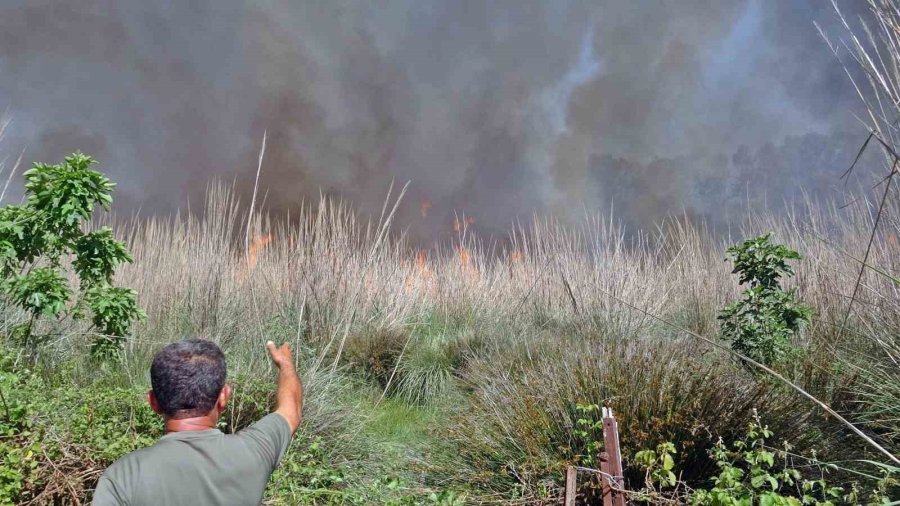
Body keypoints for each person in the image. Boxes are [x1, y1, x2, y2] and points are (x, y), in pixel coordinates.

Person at [92, 339, 303, 505]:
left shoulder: (123, 475)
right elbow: (290, 410)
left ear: (153, 402)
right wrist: (285, 364)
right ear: (224, 397)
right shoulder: (255, 450)